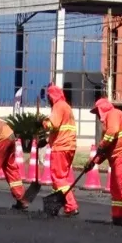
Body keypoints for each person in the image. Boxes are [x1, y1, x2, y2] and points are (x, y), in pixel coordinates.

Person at [84, 97, 122, 227]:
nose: (97, 115)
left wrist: (102, 144)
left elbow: (112, 132)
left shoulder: (114, 114)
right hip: (117, 158)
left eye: (98, 111)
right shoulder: (107, 125)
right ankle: (118, 215)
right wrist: (93, 162)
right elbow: (105, 150)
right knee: (116, 187)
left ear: (102, 109)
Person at [43, 83, 79, 217]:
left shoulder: (58, 106)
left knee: (58, 178)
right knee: (62, 177)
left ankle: (71, 205)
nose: (48, 100)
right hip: (69, 146)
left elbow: (53, 125)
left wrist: (42, 123)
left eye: (48, 97)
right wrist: (47, 140)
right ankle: (60, 204)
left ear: (52, 96)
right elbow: (61, 129)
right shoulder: (67, 107)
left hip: (61, 147)